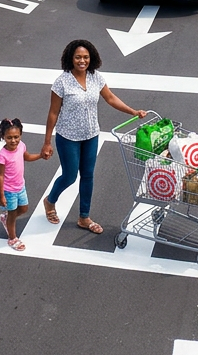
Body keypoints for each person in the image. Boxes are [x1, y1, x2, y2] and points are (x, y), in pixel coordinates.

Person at [42, 40, 146, 235]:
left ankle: (84, 217)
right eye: (78, 57)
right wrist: (47, 142)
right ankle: (50, 201)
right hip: (68, 137)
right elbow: (53, 113)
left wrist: (133, 111)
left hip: (91, 135)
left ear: (92, 58)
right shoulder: (62, 82)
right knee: (70, 176)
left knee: (88, 175)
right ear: (70, 59)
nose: (82, 61)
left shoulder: (96, 77)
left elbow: (110, 98)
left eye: (86, 57)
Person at [0, 118, 43, 251]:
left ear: (20, 135)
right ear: (3, 137)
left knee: (23, 208)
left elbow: (26, 157)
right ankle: (12, 238)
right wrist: (1, 196)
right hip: (8, 190)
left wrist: (40, 156)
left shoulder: (21, 145)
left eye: (16, 137)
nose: (13, 140)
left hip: (20, 186)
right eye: (9, 137)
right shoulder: (2, 155)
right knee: (12, 214)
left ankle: (6, 219)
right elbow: (0, 176)